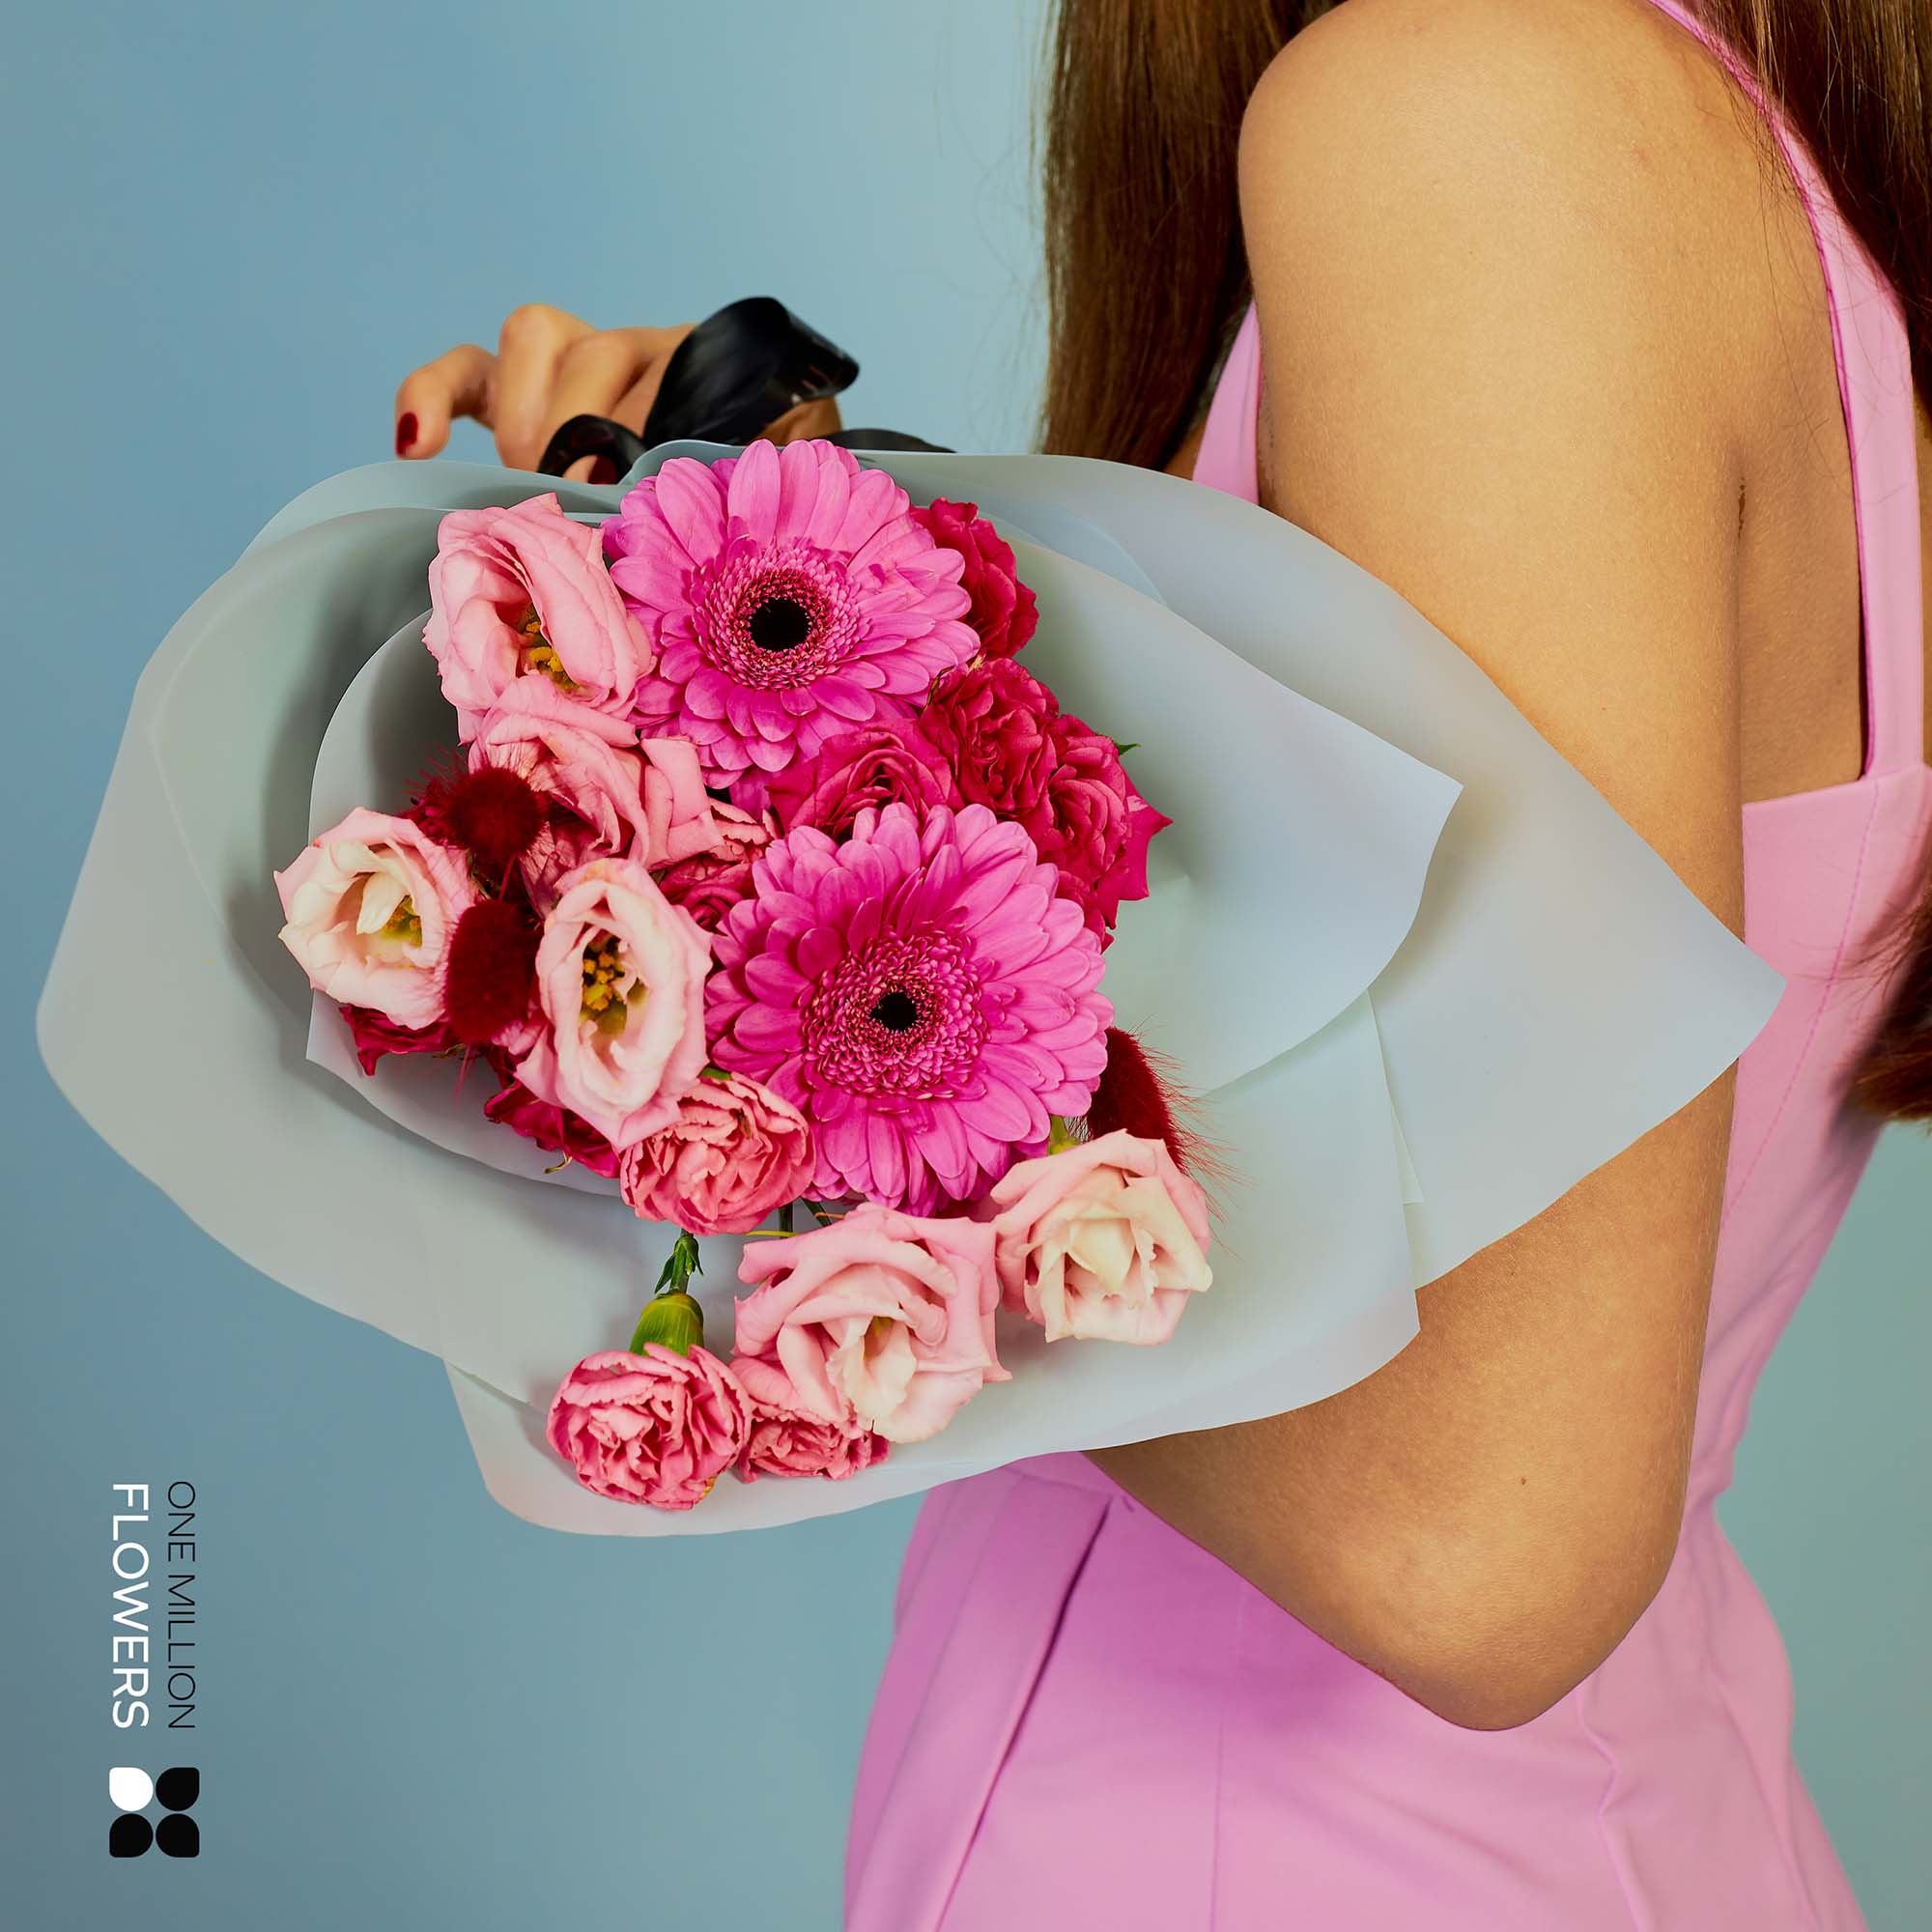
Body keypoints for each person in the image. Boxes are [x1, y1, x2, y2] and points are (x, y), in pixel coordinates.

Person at [393, 1, 1931, 1921]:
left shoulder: (1484, 122)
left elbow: (1476, 1539)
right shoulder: (1723, 162)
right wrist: (786, 593)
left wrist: (692, 877)